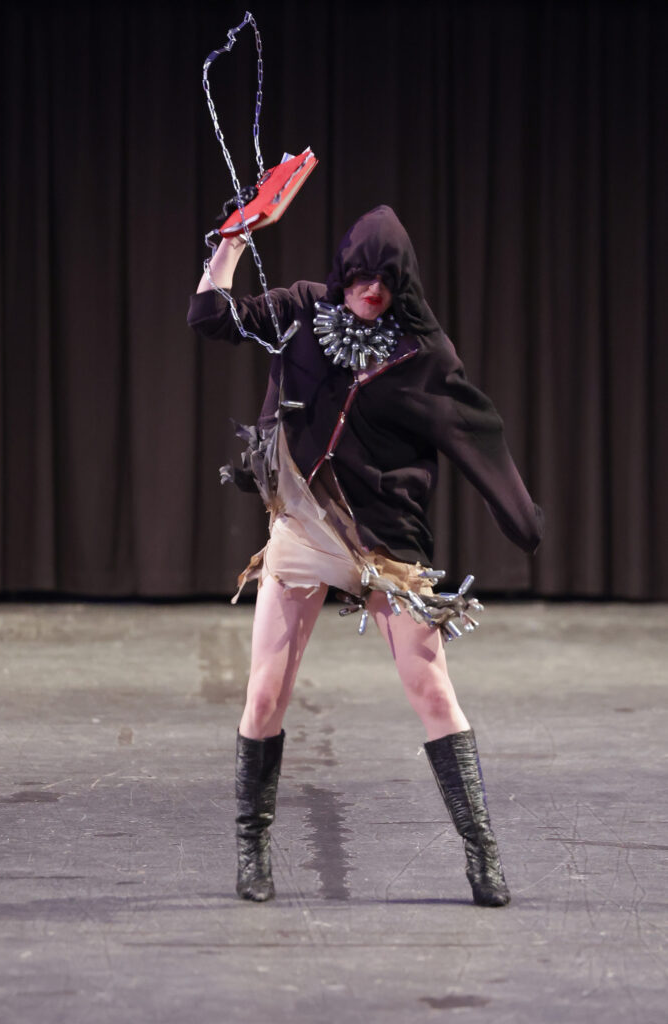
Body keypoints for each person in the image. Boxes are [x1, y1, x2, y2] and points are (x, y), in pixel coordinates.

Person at [187, 205, 543, 907]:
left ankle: (482, 855)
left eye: (385, 279)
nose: (371, 290)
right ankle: (252, 850)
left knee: (431, 690)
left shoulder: (423, 352)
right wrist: (229, 244)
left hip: (387, 541)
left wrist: (521, 517)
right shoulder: (300, 311)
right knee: (264, 693)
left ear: (401, 281)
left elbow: (478, 431)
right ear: (342, 273)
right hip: (303, 527)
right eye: (360, 276)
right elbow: (209, 316)